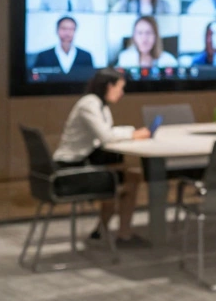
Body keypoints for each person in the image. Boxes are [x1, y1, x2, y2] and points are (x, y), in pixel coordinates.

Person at [52, 69, 152, 246]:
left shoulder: (100, 105)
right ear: (109, 86)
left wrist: (131, 133)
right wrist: (133, 133)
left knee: (126, 174)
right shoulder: (89, 104)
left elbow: (105, 136)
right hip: (69, 172)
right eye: (120, 88)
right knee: (129, 180)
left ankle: (102, 230)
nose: (122, 93)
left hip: (82, 164)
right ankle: (123, 234)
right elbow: (106, 136)